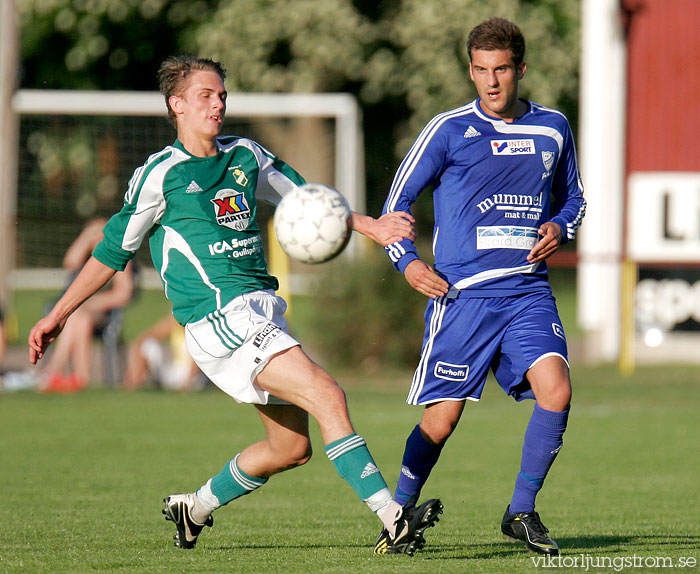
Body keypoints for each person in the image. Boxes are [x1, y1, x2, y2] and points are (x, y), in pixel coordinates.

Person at [28, 55, 442, 555]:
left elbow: (306, 200)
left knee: (291, 449)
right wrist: (58, 313)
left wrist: (370, 226)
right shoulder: (160, 175)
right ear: (176, 104)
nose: (217, 103)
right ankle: (392, 518)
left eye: (222, 95)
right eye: (205, 95)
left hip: (263, 311)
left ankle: (193, 507)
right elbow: (112, 252)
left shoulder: (246, 155)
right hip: (218, 319)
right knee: (328, 393)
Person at [377, 18, 586, 556]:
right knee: (442, 422)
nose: (491, 82)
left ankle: (521, 510)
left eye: (502, 70)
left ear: (521, 69)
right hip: (461, 298)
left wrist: (560, 226)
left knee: (557, 391)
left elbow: (575, 199)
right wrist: (407, 263)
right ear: (471, 70)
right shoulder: (448, 130)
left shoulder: (553, 127)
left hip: (526, 293)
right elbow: (395, 206)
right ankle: (397, 515)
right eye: (481, 71)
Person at [38, 217, 136, 392]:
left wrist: (93, 303)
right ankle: (75, 377)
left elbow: (124, 294)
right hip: (79, 313)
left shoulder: (116, 251)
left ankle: (56, 371)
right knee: (78, 316)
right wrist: (85, 238)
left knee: (79, 314)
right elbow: (70, 262)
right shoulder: (84, 256)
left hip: (104, 313)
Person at [121, 313, 206, 392]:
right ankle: (135, 384)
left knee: (193, 348)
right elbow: (146, 337)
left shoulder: (198, 322)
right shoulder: (174, 320)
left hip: (194, 376)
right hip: (174, 371)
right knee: (149, 345)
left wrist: (188, 384)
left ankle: (185, 383)